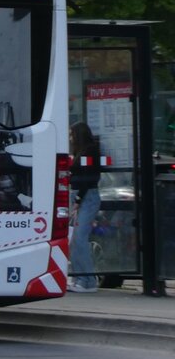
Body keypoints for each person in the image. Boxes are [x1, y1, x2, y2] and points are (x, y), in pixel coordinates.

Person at [68, 121, 102, 293]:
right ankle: (79, 278)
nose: (70, 138)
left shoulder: (89, 151)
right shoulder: (83, 151)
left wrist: (78, 200)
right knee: (75, 239)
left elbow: (88, 178)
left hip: (86, 197)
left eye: (72, 134)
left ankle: (88, 280)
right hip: (81, 196)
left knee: (79, 238)